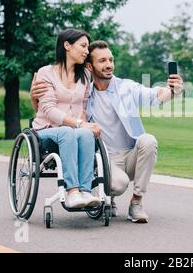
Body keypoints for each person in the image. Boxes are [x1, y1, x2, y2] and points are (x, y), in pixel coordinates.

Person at [31, 40, 183, 223]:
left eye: (111, 60)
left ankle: (136, 203)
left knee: (148, 140)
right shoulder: (83, 93)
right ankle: (109, 197)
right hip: (103, 160)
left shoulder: (126, 87)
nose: (109, 65)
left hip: (130, 154)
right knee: (118, 185)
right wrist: (35, 97)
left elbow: (154, 95)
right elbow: (55, 110)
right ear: (89, 65)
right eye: (102, 61)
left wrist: (172, 91)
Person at [32, 28, 101, 209]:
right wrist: (78, 123)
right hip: (47, 130)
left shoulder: (85, 75)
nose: (87, 51)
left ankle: (85, 191)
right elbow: (48, 109)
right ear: (67, 46)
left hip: (75, 132)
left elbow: (84, 107)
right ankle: (72, 192)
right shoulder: (46, 72)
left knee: (86, 134)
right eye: (83, 46)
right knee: (67, 132)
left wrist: (84, 124)